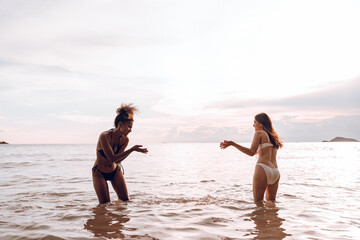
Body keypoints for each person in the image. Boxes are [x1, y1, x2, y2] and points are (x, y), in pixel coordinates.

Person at [220, 113, 283, 203]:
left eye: (255, 122)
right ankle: (271, 217)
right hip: (275, 171)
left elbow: (251, 152)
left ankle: (259, 217)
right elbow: (261, 150)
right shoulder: (273, 137)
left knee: (258, 203)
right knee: (272, 203)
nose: (253, 125)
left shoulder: (259, 133)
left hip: (263, 168)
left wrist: (233, 144)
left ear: (261, 123)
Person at [92, 103, 148, 204]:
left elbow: (118, 160)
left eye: (131, 128)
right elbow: (111, 158)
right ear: (120, 124)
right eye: (129, 127)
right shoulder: (104, 136)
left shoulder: (125, 140)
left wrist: (131, 150)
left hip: (115, 171)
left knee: (125, 202)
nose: (130, 130)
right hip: (99, 173)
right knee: (104, 205)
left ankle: (120, 218)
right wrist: (132, 150)